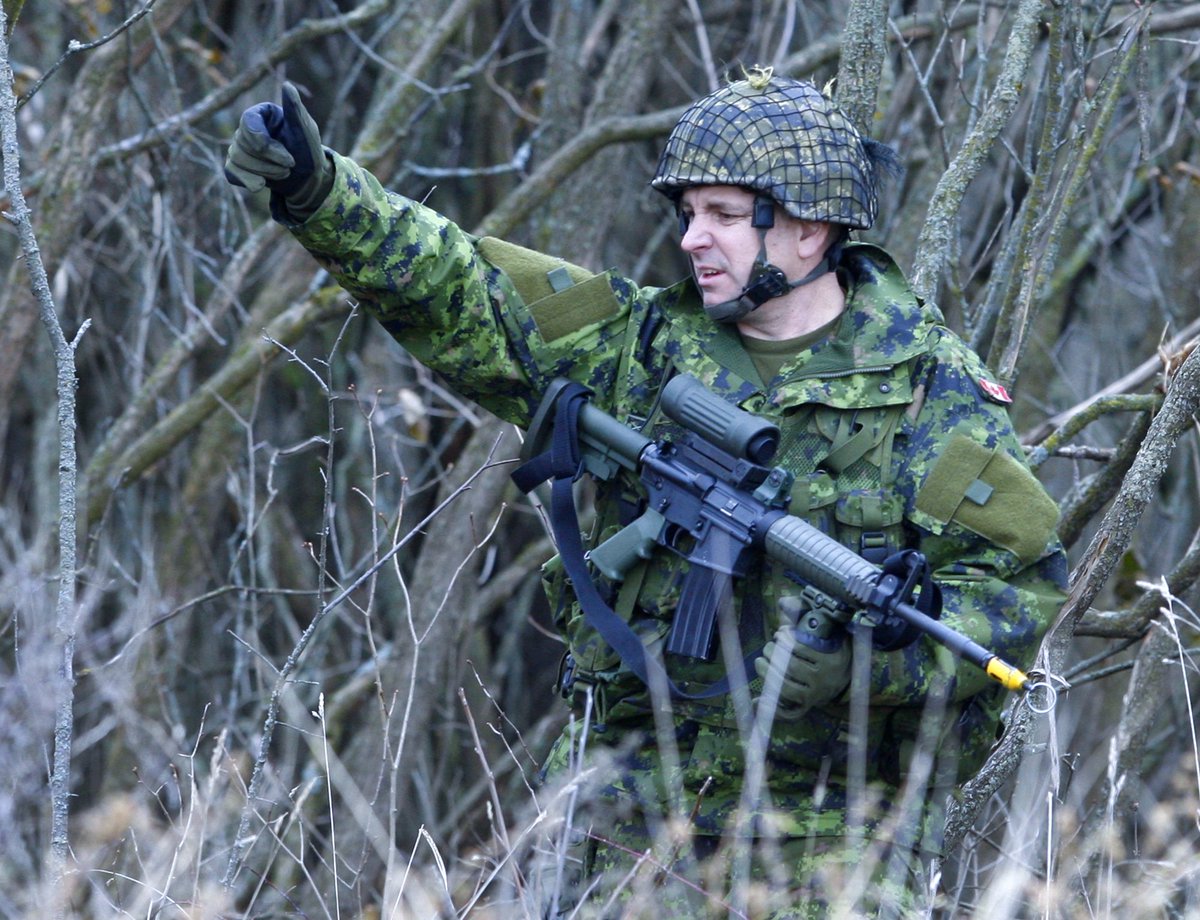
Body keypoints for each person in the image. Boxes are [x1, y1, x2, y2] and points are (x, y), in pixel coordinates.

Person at [225, 67, 1067, 917]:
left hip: (835, 832)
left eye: (727, 217)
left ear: (810, 231)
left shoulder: (934, 393)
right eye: (690, 214)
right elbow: (462, 289)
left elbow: (1011, 598)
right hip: (626, 807)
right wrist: (321, 192)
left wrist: (868, 666)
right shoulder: (639, 342)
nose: (694, 239)